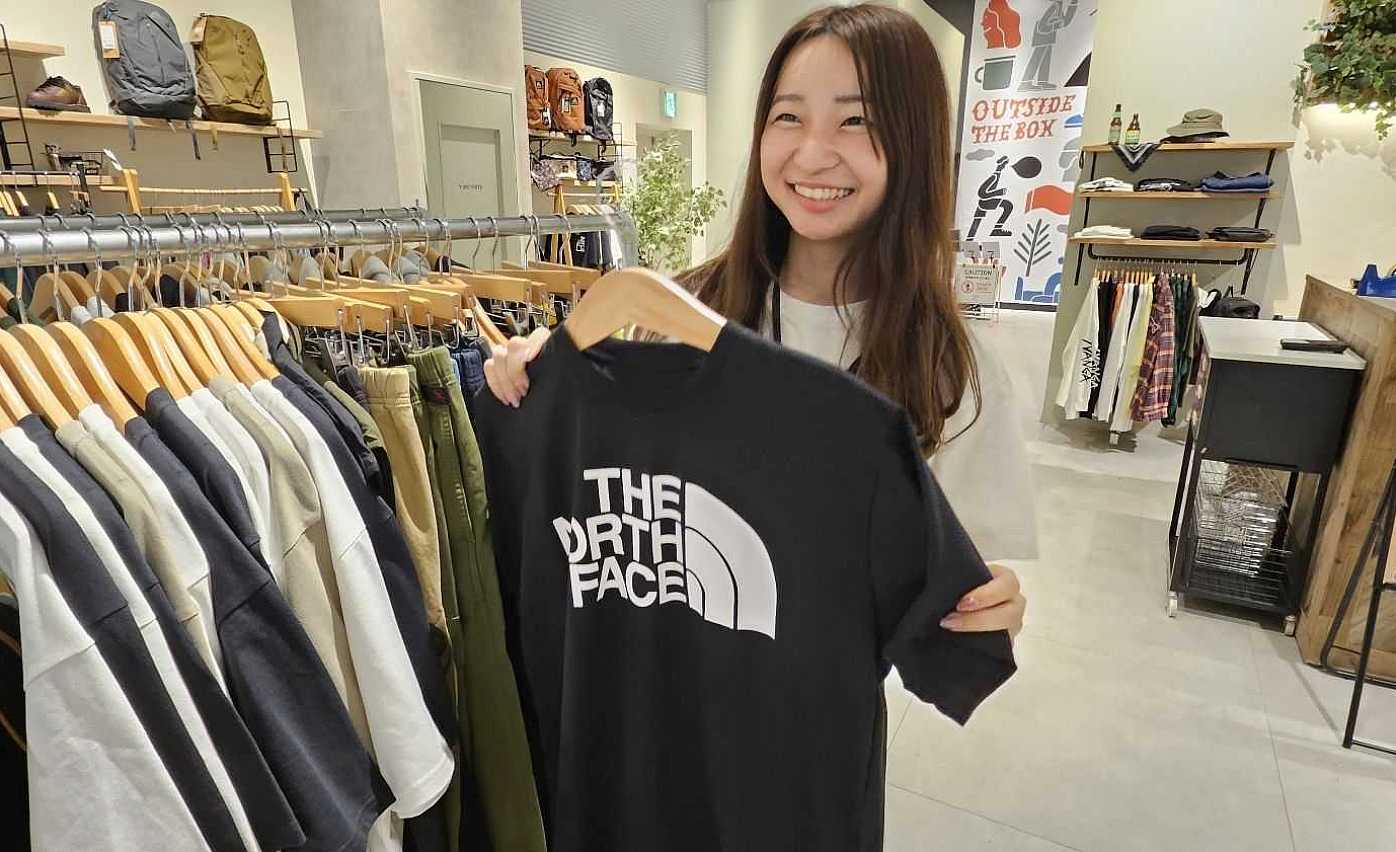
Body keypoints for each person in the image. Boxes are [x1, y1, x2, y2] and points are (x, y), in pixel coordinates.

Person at [485, 3, 1030, 640]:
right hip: (657, 674)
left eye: (856, 120)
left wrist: (990, 608)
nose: (812, 154)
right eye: (788, 116)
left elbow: (960, 593)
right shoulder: (680, 309)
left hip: (802, 694)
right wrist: (534, 376)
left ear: (916, 142)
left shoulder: (949, 368)